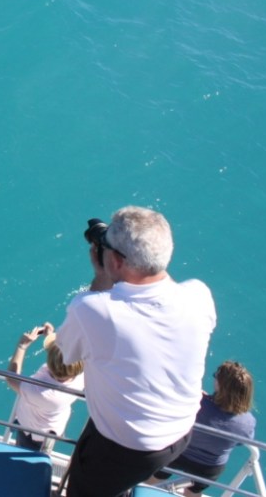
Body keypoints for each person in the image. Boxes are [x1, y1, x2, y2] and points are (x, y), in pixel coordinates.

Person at [55, 206, 216, 497]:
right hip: (178, 434)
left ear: (115, 260)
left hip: (125, 447)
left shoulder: (93, 309)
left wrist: (102, 281)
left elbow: (64, 356)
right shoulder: (199, 295)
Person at [149, 361, 257, 495]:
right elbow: (241, 441)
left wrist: (200, 397)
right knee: (193, 492)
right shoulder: (248, 422)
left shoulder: (196, 403)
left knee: (151, 481)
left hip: (176, 454)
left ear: (220, 385)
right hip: (209, 468)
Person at [5, 322, 84, 451]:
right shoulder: (80, 377)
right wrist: (50, 336)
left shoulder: (40, 391)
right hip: (53, 426)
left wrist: (21, 347)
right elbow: (63, 361)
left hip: (32, 433)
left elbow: (11, 378)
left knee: (25, 454)